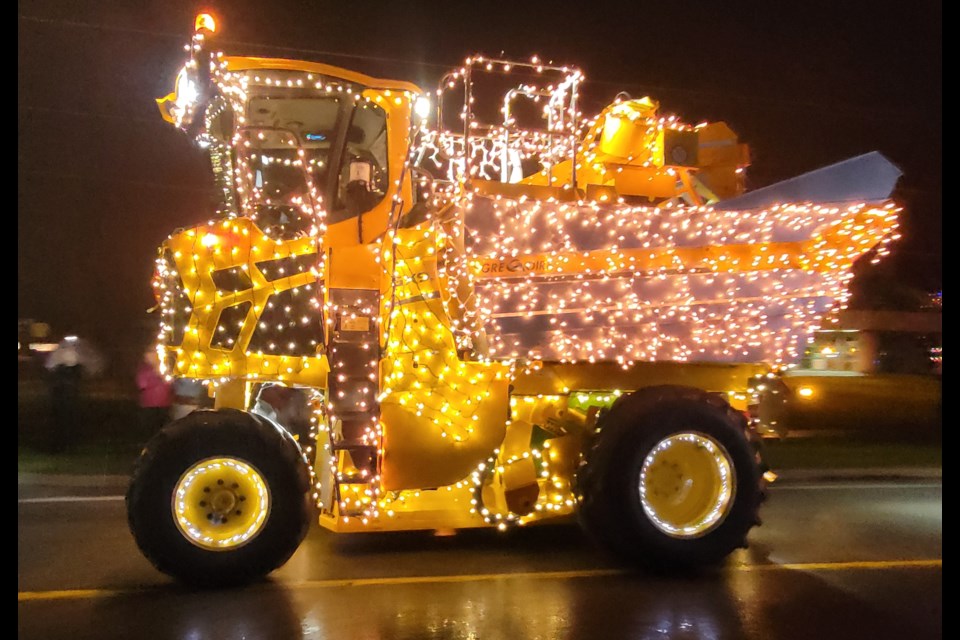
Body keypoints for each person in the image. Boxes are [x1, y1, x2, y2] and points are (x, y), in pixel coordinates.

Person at [136, 349, 172, 433]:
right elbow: (142, 385)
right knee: (150, 429)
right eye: (148, 355)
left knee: (162, 429)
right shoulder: (144, 370)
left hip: (164, 404)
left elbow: (170, 383)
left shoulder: (165, 368)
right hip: (149, 405)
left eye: (153, 354)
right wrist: (155, 377)